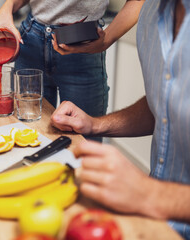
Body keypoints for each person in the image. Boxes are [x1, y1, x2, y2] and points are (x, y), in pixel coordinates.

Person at [50, 0, 190, 239]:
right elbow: (166, 105)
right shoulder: (150, 14)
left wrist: (148, 194)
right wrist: (94, 124)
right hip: (154, 224)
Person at [0, 0, 144, 140]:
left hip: (82, 46)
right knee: (27, 134)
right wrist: (7, 7)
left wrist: (106, 40)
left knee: (84, 143)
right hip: (31, 39)